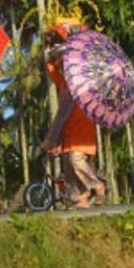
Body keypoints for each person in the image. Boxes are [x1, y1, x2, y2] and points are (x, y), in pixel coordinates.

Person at [41, 17, 106, 209]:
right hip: (69, 133)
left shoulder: (82, 79)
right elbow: (51, 69)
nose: (62, 64)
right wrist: (49, 53)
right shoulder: (62, 82)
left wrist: (51, 139)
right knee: (69, 169)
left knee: (76, 160)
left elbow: (63, 113)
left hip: (82, 129)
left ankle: (97, 185)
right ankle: (81, 199)